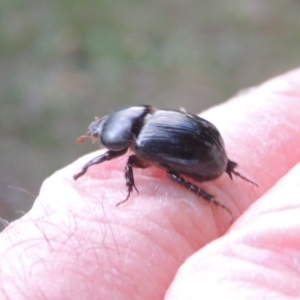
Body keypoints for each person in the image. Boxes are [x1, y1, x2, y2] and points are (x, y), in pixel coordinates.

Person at [1, 68, 300, 299]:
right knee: (168, 171)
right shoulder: (150, 119)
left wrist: (85, 172)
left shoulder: (140, 147)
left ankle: (210, 197)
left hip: (202, 157)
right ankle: (221, 184)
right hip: (208, 145)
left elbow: (113, 158)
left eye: (101, 130)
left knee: (170, 173)